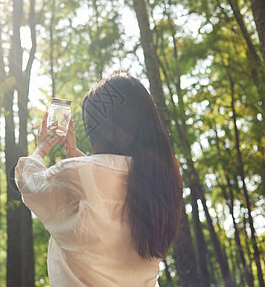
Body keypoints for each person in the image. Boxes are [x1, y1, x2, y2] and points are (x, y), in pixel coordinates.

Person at [15, 72, 183, 286]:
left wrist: (41, 149)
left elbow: (30, 184)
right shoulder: (164, 181)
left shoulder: (77, 174)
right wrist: (75, 155)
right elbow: (111, 180)